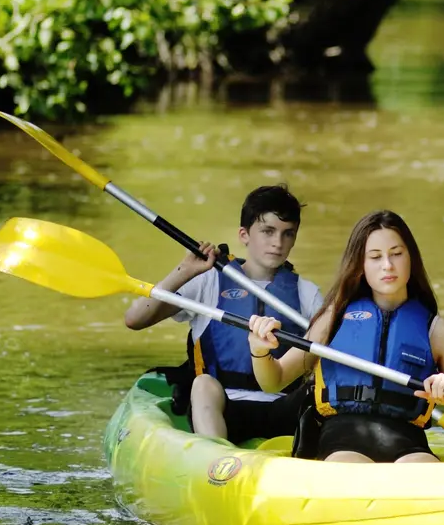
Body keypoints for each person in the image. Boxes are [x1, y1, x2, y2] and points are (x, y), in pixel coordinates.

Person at [245, 209, 444, 462]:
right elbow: (274, 381)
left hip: (407, 441)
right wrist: (259, 350)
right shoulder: (333, 317)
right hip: (343, 438)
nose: (387, 265)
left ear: (411, 257)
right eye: (375, 257)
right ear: (361, 265)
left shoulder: (438, 331)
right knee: (348, 465)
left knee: (424, 469)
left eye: (397, 254)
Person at [123, 184, 323, 442]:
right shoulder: (209, 281)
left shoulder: (307, 293)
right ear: (244, 234)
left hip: (284, 408)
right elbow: (136, 319)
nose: (278, 243)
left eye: (288, 234)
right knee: (202, 384)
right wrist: (185, 270)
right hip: (224, 405)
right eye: (268, 231)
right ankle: (216, 461)